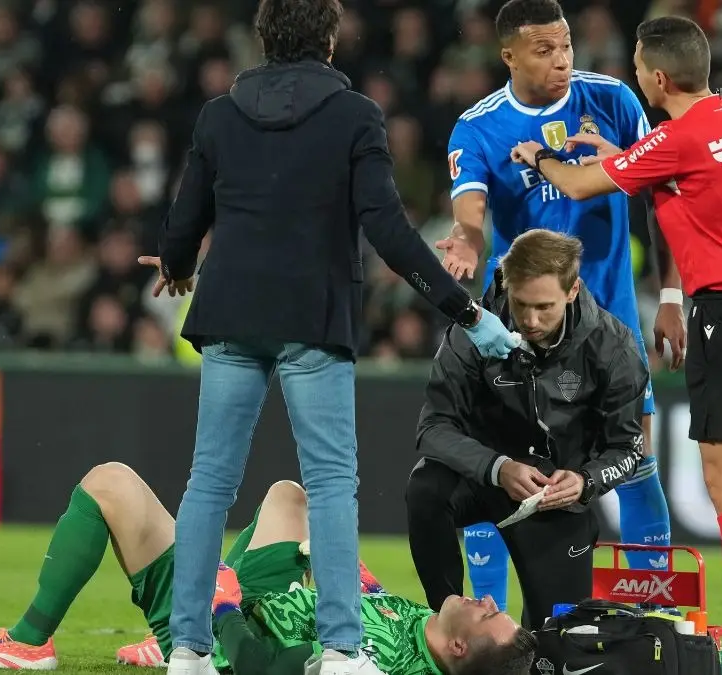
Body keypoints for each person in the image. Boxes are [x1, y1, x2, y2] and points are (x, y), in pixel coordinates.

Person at [135, 1, 520, 673]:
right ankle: (342, 651)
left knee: (209, 483)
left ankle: (189, 650)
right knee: (332, 483)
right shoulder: (354, 116)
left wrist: (174, 263)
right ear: (332, 40)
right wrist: (466, 311)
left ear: (263, 37)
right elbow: (388, 230)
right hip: (311, 316)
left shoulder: (219, 115)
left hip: (230, 311)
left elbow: (185, 216)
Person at [508, 16, 722, 672]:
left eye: (641, 67)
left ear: (660, 78)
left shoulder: (677, 139)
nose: (637, 75)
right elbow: (683, 175)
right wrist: (619, 154)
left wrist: (540, 158)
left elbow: (580, 184)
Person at [434, 0, 679, 612]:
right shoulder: (478, 127)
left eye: (566, 45)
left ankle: (656, 612)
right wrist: (466, 240)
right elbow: (470, 211)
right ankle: (491, 623)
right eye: (545, 50)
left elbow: (662, 199)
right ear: (509, 56)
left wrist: (672, 294)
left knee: (635, 461)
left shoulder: (613, 100)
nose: (562, 60)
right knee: (498, 472)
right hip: (522, 332)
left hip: (609, 324)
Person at [0, 462, 538, 675]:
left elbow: (258, 667)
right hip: (270, 600)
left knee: (109, 483)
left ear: (459, 648)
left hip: (225, 629)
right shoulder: (430, 630)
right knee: (289, 498)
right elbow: (377, 608)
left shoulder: (375, 668)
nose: (489, 600)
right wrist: (359, 579)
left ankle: (30, 642)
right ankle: (163, 638)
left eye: (490, 615)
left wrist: (220, 605)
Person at [408, 229, 648, 630]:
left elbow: (628, 449)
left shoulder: (613, 347)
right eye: (521, 304)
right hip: (482, 478)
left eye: (544, 307)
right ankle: (448, 624)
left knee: (554, 640)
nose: (531, 320)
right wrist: (498, 467)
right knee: (426, 487)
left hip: (553, 500)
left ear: (573, 291)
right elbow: (432, 427)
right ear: (506, 285)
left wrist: (585, 481)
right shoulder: (473, 330)